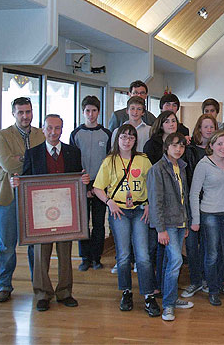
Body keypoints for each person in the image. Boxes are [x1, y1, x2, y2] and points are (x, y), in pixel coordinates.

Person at [12, 114, 90, 311]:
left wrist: (84, 181)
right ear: (43, 129)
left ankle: (64, 292)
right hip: (40, 216)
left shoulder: (73, 152)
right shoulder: (33, 153)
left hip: (66, 214)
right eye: (50, 128)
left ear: (62, 130)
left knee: (65, 253)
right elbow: (26, 181)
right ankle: (42, 294)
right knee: (40, 254)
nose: (54, 132)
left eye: (57, 128)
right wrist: (17, 183)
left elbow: (77, 178)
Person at [93, 124, 160, 317]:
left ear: (135, 141)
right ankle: (126, 292)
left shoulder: (143, 160)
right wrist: (109, 202)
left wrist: (148, 203)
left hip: (140, 210)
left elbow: (152, 184)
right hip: (119, 210)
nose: (127, 141)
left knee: (143, 255)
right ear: (117, 139)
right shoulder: (109, 161)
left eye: (131, 138)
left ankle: (148, 295)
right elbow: (98, 188)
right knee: (123, 255)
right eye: (123, 137)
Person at [0, 97, 44, 302]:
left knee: (35, 243)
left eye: (28, 112)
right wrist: (28, 159)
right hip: (8, 194)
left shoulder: (41, 134)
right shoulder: (1, 136)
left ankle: (39, 285)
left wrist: (21, 158)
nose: (25, 116)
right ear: (13, 113)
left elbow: (42, 161)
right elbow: (8, 165)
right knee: (7, 244)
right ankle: (4, 285)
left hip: (33, 194)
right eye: (21, 112)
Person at [147, 132, 194, 321]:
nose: (178, 149)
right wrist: (160, 229)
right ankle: (167, 305)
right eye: (174, 145)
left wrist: (187, 222)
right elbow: (155, 201)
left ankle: (172, 298)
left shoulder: (181, 167)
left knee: (170, 263)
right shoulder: (157, 169)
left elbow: (184, 197)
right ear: (166, 147)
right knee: (176, 261)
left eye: (182, 146)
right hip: (167, 224)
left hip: (180, 221)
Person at [189, 130, 224, 306]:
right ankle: (213, 290)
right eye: (219, 144)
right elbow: (194, 193)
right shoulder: (203, 164)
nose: (223, 147)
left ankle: (216, 281)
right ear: (212, 146)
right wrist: (195, 219)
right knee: (212, 254)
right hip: (209, 214)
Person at [70, 96, 112, 272]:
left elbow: (109, 162)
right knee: (83, 223)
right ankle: (84, 257)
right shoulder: (76, 134)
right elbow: (73, 161)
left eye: (94, 110)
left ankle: (96, 257)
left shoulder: (107, 134)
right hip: (82, 186)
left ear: (99, 111)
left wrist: (97, 187)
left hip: (100, 187)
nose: (91, 114)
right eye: (88, 110)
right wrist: (86, 187)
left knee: (98, 224)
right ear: (83, 112)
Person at [143, 110, 181, 297]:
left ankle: (168, 293)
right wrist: (159, 225)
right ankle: (163, 294)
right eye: (167, 121)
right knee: (163, 254)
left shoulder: (180, 162)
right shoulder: (154, 151)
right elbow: (155, 193)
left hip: (176, 214)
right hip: (161, 213)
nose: (171, 123)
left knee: (171, 259)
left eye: (174, 120)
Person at [180, 114, 217, 298]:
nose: (209, 130)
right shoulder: (189, 149)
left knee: (208, 246)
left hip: (211, 204)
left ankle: (206, 279)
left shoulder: (217, 150)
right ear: (199, 129)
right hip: (192, 202)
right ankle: (195, 280)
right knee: (192, 245)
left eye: (212, 126)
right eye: (205, 126)